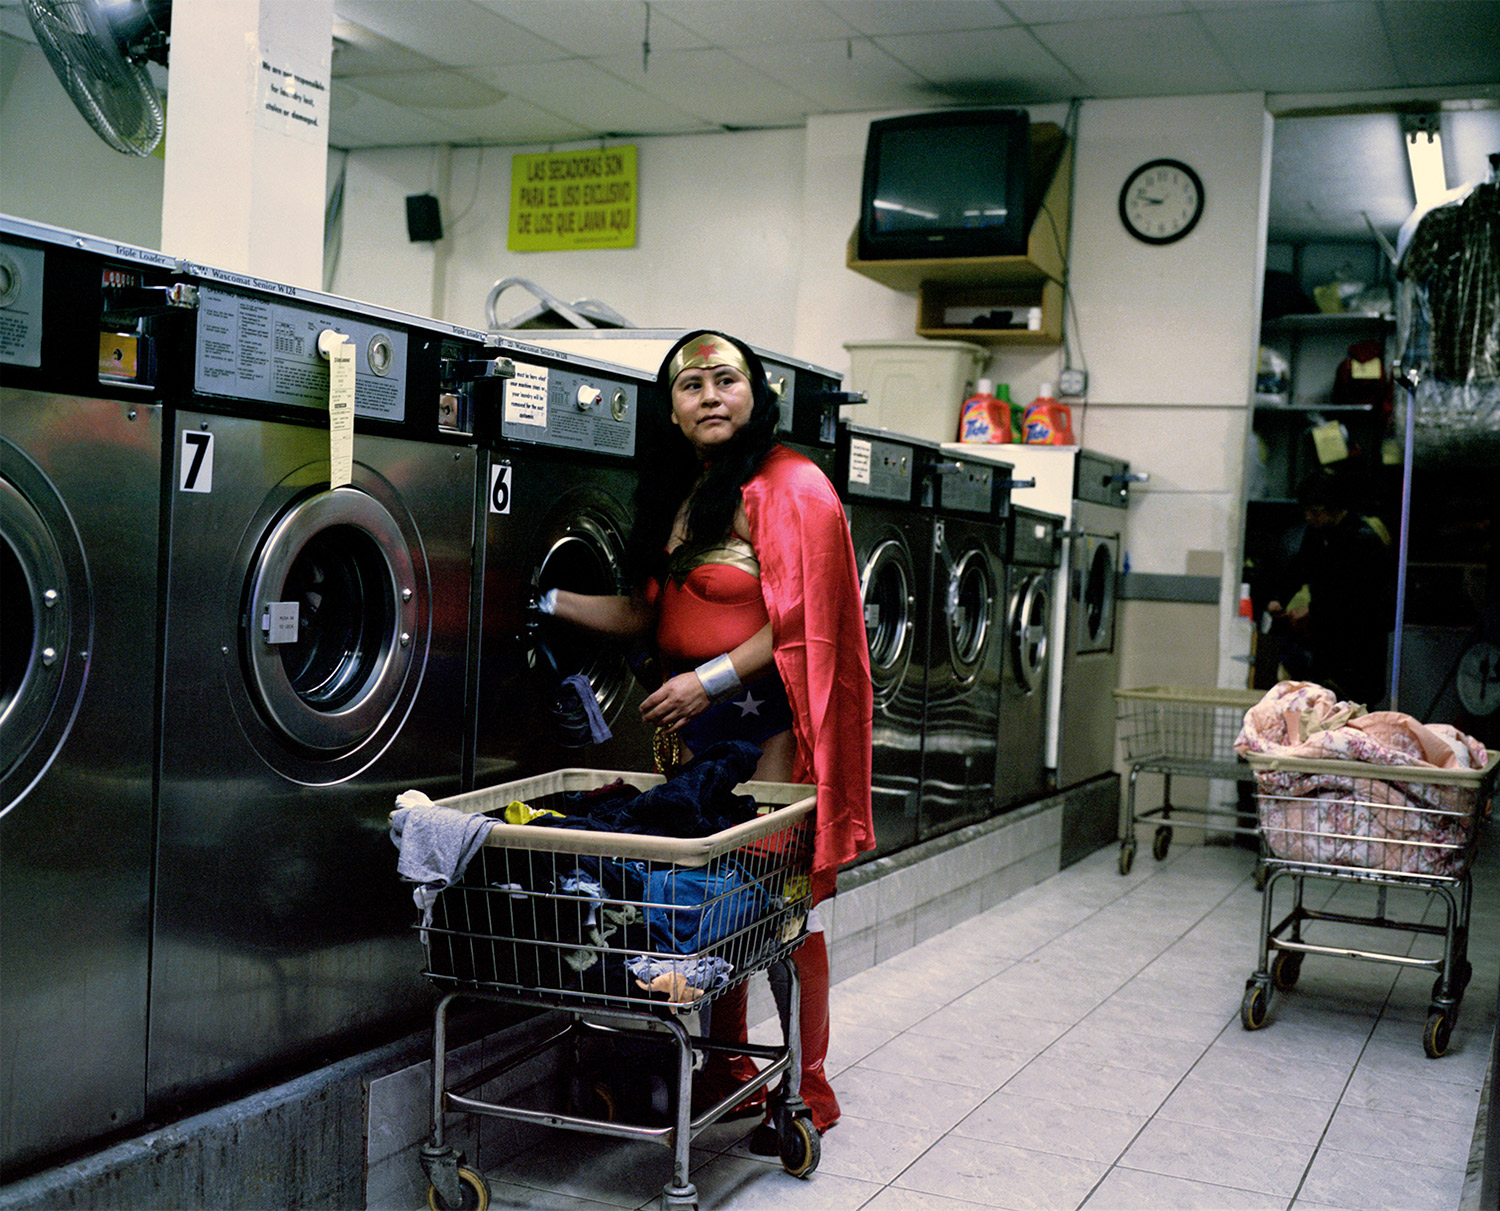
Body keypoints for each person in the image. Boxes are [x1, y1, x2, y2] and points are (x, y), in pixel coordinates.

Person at [538, 329, 875, 1143]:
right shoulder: (680, 491)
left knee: (781, 906)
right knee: (712, 897)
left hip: (776, 726)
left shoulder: (792, 486)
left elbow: (808, 622)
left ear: (756, 394)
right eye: (692, 385)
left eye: (727, 380)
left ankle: (807, 1090)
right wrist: (543, 602)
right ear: (673, 408)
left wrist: (708, 680)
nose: (711, 396)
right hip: (696, 731)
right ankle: (724, 1067)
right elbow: (652, 615)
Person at [1265, 468, 1396, 706]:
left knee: (1351, 707)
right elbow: (1300, 567)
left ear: (1335, 508)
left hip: (1359, 643)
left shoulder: (1362, 540)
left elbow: (1355, 599)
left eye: (1314, 511)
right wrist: (1279, 598)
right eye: (1305, 511)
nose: (1308, 518)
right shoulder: (1318, 533)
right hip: (1326, 640)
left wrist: (1312, 611)